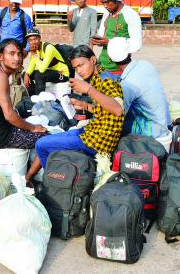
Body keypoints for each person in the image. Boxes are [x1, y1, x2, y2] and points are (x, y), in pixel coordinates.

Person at [25, 45, 124, 183]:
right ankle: (29, 179)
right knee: (48, 136)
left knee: (41, 145)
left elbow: (117, 110)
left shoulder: (106, 81)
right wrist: (84, 105)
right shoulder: (98, 77)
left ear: (93, 60)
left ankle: (51, 182)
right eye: (76, 68)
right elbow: (106, 111)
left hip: (97, 142)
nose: (79, 71)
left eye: (81, 65)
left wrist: (88, 89)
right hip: (91, 131)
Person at [0, 39, 47, 152]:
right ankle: (31, 171)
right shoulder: (1, 78)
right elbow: (9, 115)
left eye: (19, 54)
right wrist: (33, 127)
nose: (17, 58)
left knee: (21, 113)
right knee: (46, 137)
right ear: (1, 56)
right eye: (11, 54)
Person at [107, 37, 171, 139]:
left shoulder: (127, 84)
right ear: (130, 53)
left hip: (153, 129)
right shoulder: (145, 64)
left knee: (112, 127)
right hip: (164, 121)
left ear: (110, 59)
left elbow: (118, 114)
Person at [90, 0, 142, 74]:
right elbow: (102, 35)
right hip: (102, 64)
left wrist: (110, 43)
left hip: (119, 68)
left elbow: (136, 44)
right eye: (103, 3)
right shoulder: (106, 14)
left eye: (107, 2)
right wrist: (97, 41)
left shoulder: (130, 15)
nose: (105, 6)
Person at [23, 28, 70, 95]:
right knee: (26, 75)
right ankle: (32, 97)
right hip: (52, 73)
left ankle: (39, 99)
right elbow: (31, 66)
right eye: (30, 40)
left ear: (40, 39)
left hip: (62, 74)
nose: (33, 42)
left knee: (40, 74)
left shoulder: (48, 48)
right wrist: (26, 74)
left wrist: (33, 54)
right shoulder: (35, 50)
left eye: (35, 39)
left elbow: (42, 69)